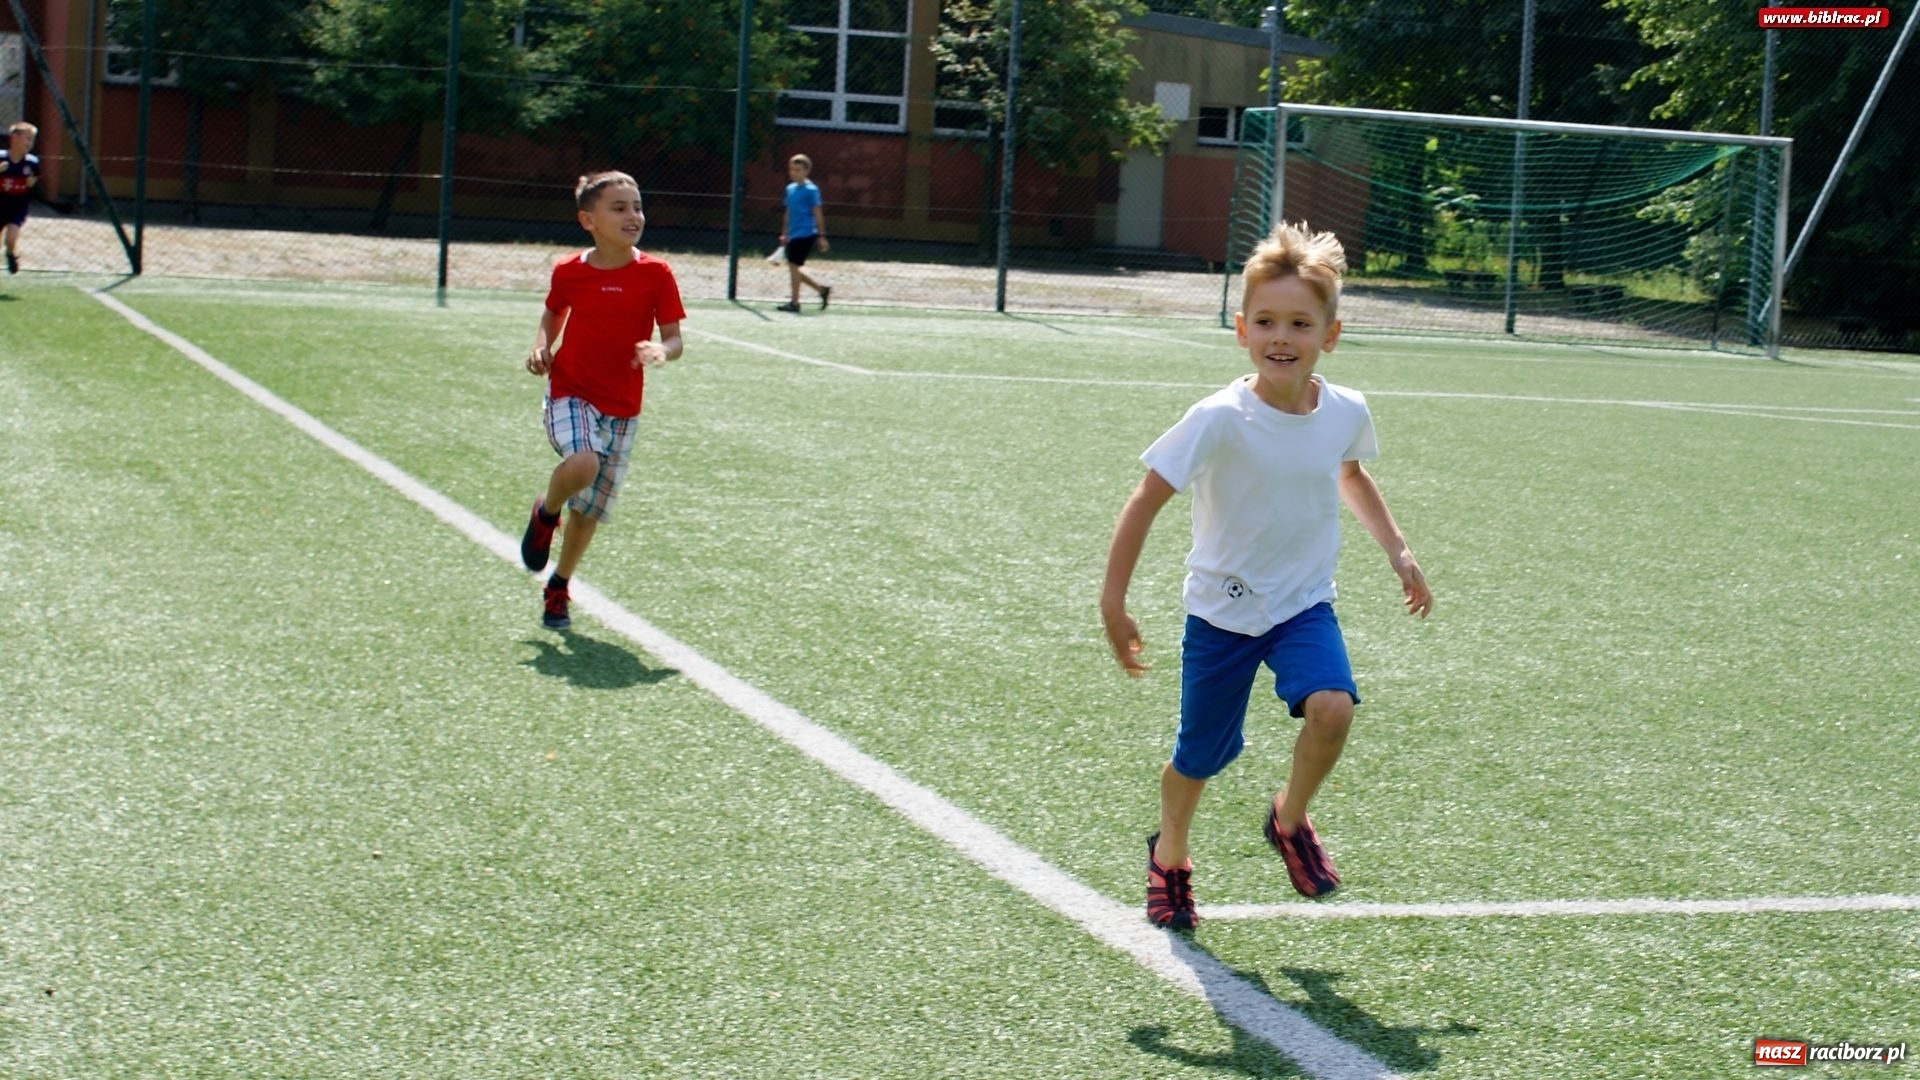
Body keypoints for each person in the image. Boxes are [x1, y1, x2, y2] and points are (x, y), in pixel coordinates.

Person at [1099, 221, 1433, 931]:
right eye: (1266, 322)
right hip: (1221, 615)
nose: (1282, 337)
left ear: (1330, 335)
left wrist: (1397, 549)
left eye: (1300, 323)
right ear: (1241, 331)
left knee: (1334, 707)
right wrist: (1114, 599)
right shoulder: (1219, 418)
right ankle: (1172, 854)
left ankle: (1289, 818)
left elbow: (1349, 474)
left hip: (1302, 606)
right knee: (1201, 755)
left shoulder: (1344, 410)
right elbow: (1146, 497)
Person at [520, 171, 686, 630]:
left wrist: (661, 351)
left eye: (637, 206)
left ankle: (559, 585)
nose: (633, 215)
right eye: (619, 208)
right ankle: (544, 512)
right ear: (587, 220)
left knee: (589, 512)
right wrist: (542, 346)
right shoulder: (569, 271)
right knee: (583, 464)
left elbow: (674, 339)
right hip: (570, 390)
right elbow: (554, 311)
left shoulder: (656, 273)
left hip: (623, 407)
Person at [775, 153, 831, 313]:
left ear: (806, 171)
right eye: (792, 169)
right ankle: (821, 290)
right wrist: (784, 233)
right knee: (794, 268)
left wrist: (821, 236)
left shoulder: (811, 190)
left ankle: (795, 303)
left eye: (798, 170)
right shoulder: (790, 188)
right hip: (793, 234)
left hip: (806, 233)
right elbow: (788, 212)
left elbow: (817, 213)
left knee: (793, 266)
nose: (794, 172)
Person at [1, 122, 40, 275]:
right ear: (14, 138)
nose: (30, 143)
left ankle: (11, 254)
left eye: (32, 140)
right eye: (27, 138)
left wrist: (32, 182)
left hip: (17, 205)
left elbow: (33, 181)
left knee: (11, 238)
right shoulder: (2, 159)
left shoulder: (32, 163)